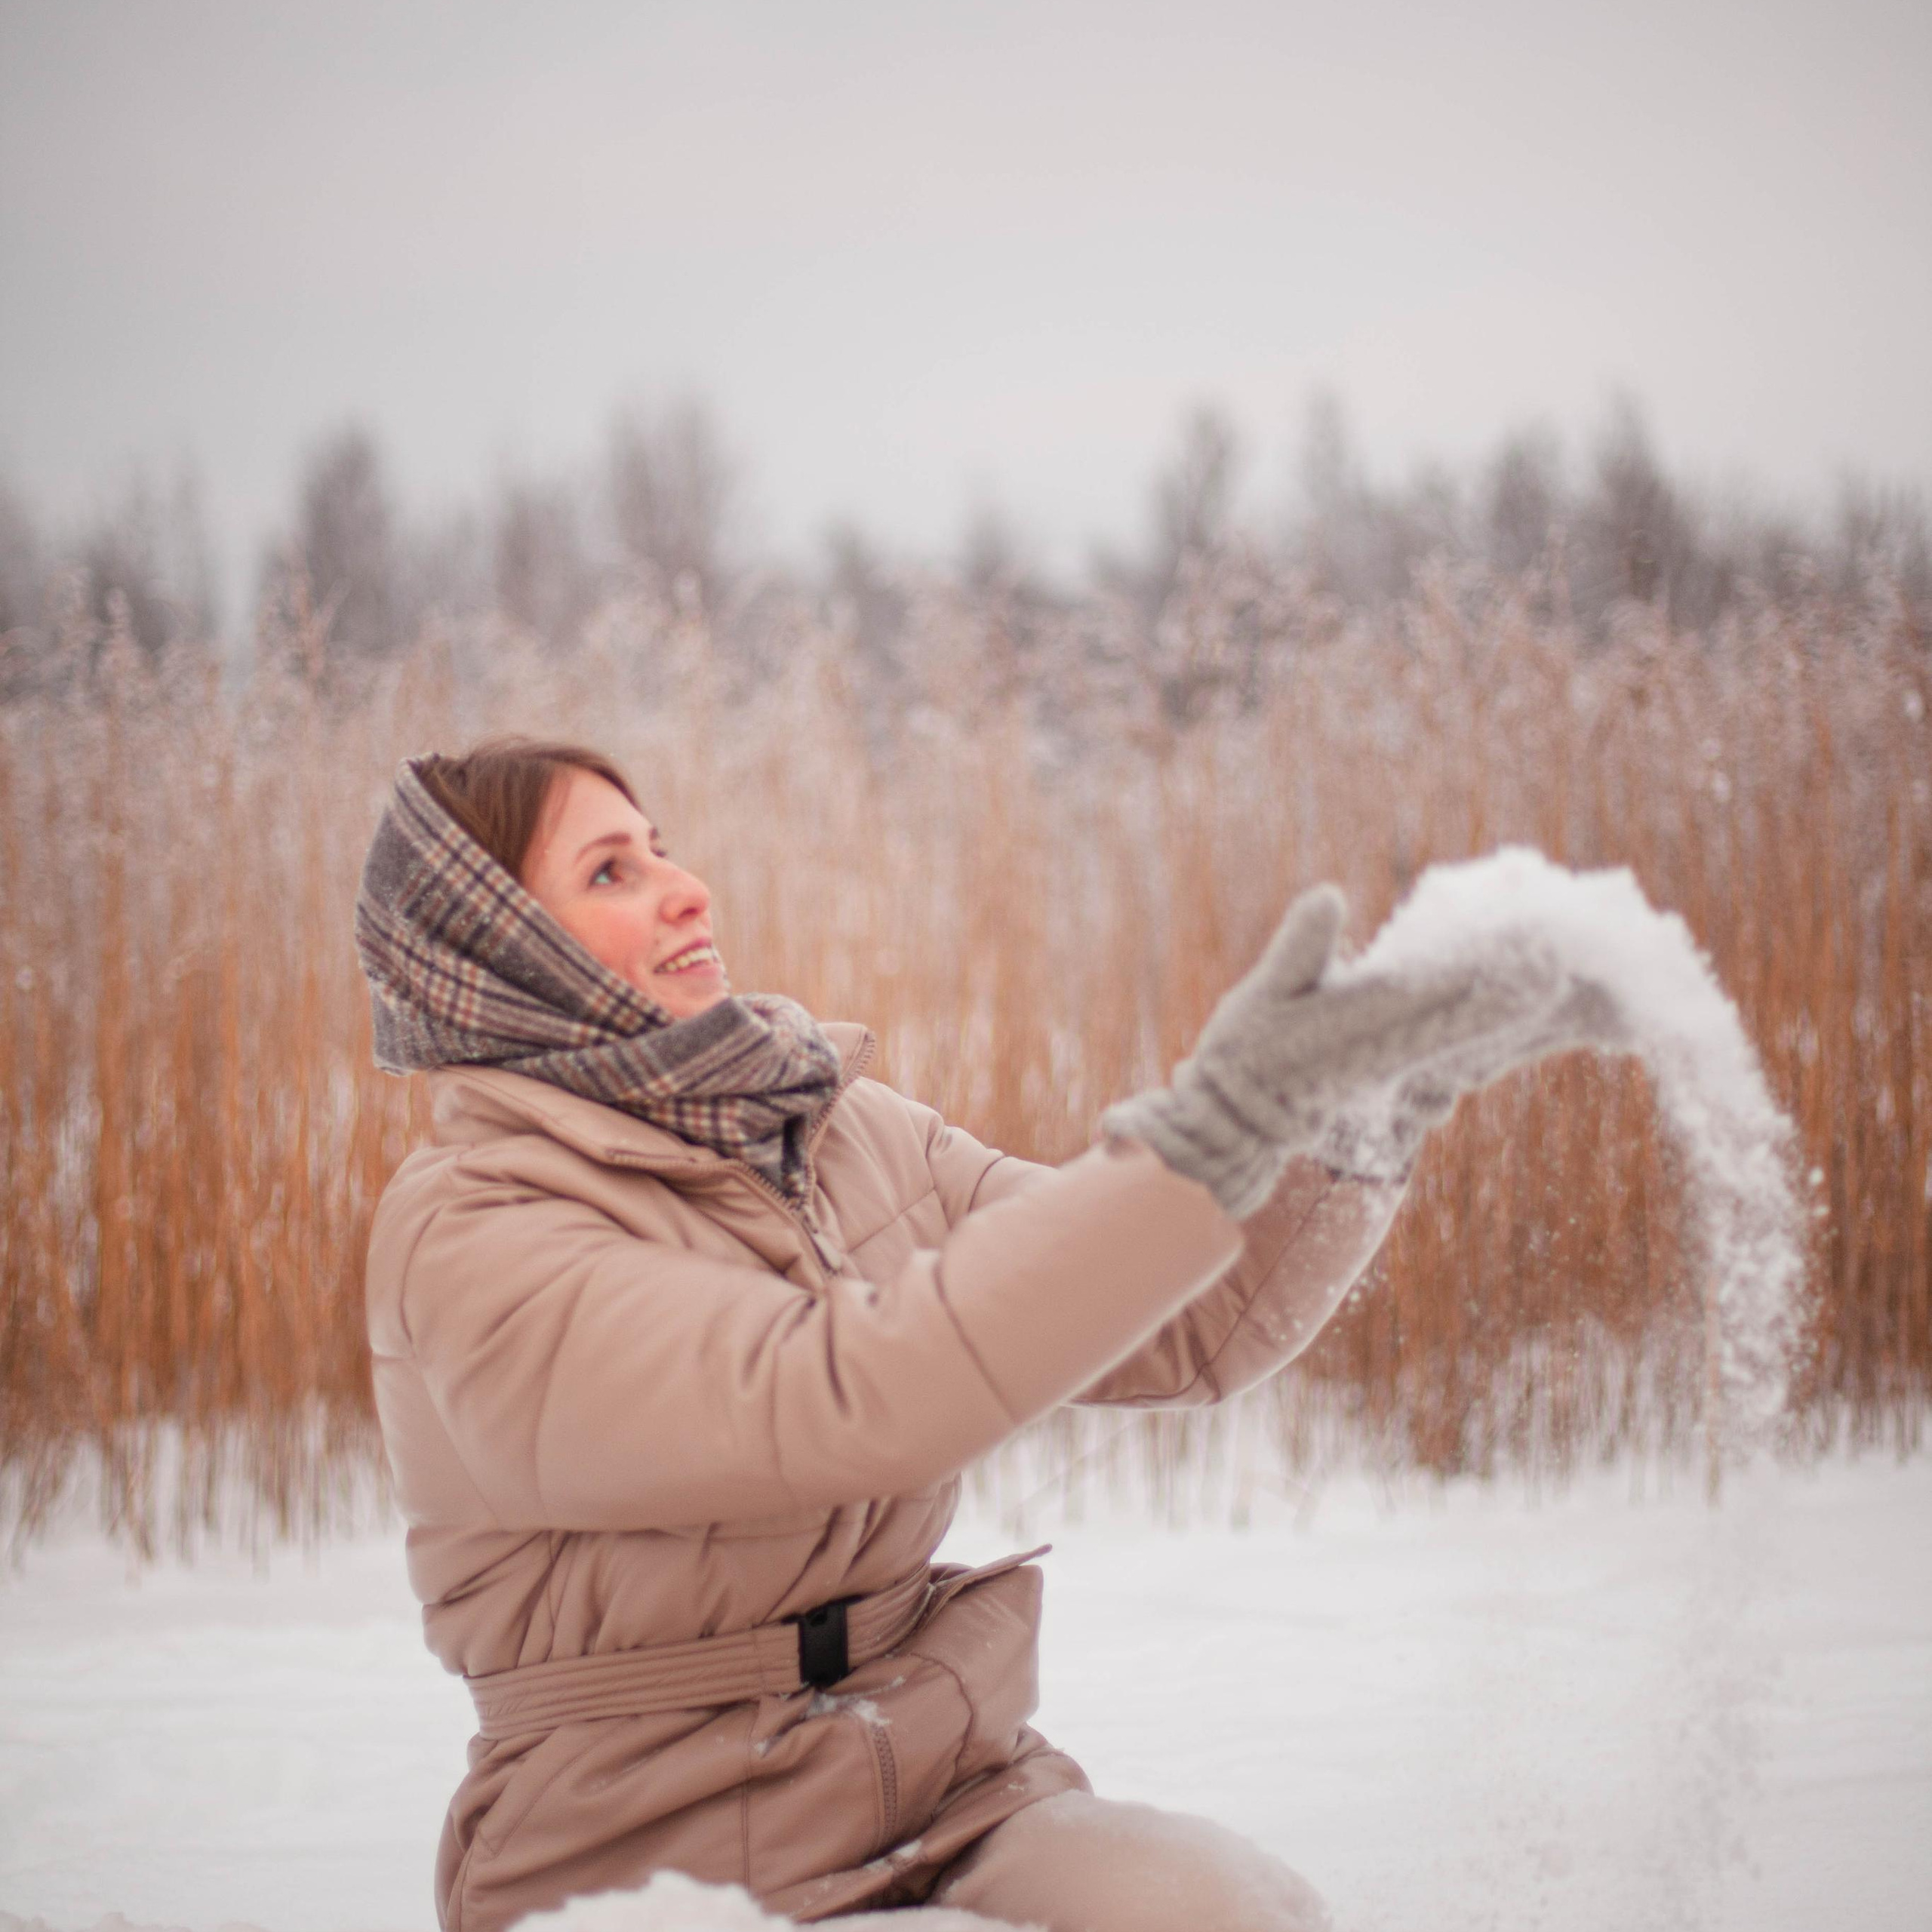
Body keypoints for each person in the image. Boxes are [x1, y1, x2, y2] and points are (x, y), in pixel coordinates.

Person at [354, 737, 1620, 1932]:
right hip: (644, 1841)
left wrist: (1355, 1115)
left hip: (937, 1786)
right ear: (502, 950)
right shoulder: (477, 1231)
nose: (686, 889)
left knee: (1235, 1910)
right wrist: (1207, 1132)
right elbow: (841, 1401)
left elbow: (1194, 1326)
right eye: (610, 872)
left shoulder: (837, 1126)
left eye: (660, 848)